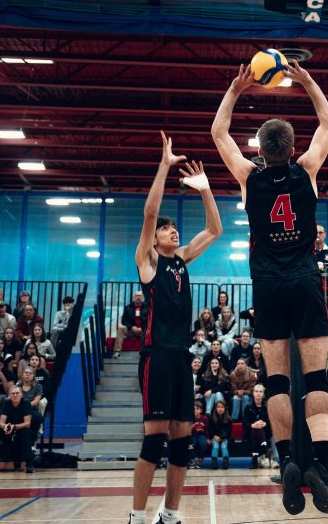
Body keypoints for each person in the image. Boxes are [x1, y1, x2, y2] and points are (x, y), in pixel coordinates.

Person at [213, 59, 328, 516]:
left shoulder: (250, 178)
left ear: (261, 151)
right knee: (318, 378)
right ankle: (319, 465)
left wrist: (236, 88)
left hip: (267, 285)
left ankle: (286, 461)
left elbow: (218, 134)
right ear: (292, 147)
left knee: (277, 381)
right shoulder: (306, 170)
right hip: (305, 280)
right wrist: (306, 80)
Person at [128, 130, 221, 524]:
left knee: (183, 444)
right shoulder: (148, 262)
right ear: (155, 239)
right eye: (167, 229)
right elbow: (150, 213)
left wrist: (205, 189)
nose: (173, 230)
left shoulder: (182, 259)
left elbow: (214, 230)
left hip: (182, 359)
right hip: (157, 358)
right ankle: (136, 516)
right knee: (154, 441)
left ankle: (170, 514)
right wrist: (165, 167)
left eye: (173, 228)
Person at [0, 385, 36, 473]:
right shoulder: (6, 403)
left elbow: (27, 423)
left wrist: (13, 426)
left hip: (21, 430)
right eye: (13, 393)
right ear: (9, 395)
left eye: (17, 393)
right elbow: (1, 423)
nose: (15, 395)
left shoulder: (26, 403)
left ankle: (29, 464)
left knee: (26, 432)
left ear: (21, 395)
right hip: (8, 430)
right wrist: (6, 427)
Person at [244, 383, 272, 468]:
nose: (258, 393)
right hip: (250, 432)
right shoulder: (248, 407)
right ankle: (265, 448)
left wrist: (264, 424)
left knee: (258, 430)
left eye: (260, 391)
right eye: (256, 391)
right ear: (253, 393)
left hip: (265, 432)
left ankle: (255, 459)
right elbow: (245, 424)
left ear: (263, 394)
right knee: (254, 430)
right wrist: (253, 425)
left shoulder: (267, 406)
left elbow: (271, 423)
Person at [116, 291, 147, 359]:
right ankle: (117, 352)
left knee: (149, 330)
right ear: (134, 297)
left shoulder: (147, 307)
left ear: (142, 297)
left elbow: (148, 320)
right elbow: (124, 320)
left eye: (140, 296)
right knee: (121, 328)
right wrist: (132, 327)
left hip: (143, 331)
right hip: (131, 330)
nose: (138, 297)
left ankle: (145, 353)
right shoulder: (128, 307)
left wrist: (142, 328)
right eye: (137, 296)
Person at [207, 399, 231, 470]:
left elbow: (229, 431)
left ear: (225, 408)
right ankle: (214, 461)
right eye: (218, 407)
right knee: (216, 446)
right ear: (215, 408)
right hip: (215, 437)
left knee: (224, 446)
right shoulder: (212, 418)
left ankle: (225, 461)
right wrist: (214, 436)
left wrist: (223, 437)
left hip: (225, 437)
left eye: (222, 407)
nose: (220, 409)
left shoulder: (228, 419)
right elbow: (210, 429)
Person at [189, 402, 209, 469]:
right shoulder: (190, 418)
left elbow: (206, 429)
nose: (195, 410)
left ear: (201, 410)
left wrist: (208, 438)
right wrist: (192, 426)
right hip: (192, 435)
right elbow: (187, 429)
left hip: (201, 435)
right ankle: (191, 460)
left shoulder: (204, 418)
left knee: (203, 444)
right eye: (194, 409)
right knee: (191, 444)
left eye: (197, 409)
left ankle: (200, 459)